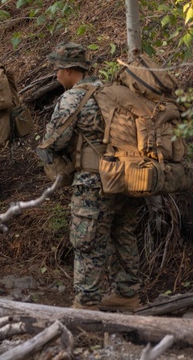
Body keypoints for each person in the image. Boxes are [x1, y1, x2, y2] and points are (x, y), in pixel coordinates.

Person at [36, 43, 141, 311]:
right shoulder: (114, 93)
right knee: (123, 235)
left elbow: (54, 141)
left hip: (94, 181)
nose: (56, 75)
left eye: (58, 69)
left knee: (87, 241)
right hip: (129, 176)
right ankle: (127, 294)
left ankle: (87, 303)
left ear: (70, 70)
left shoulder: (73, 98)